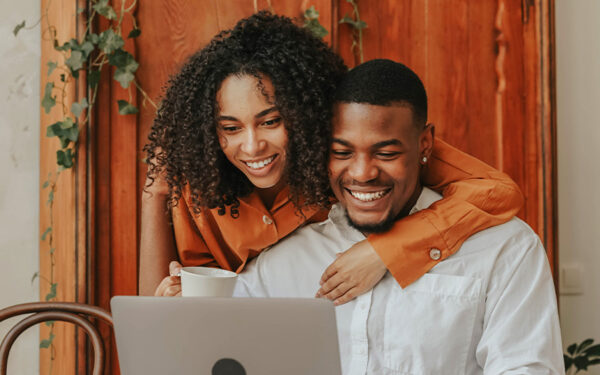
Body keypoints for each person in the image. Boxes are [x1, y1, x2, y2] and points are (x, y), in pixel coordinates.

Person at [139, 12, 523, 302]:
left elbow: (496, 190)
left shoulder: (349, 158)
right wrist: (154, 195)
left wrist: (386, 250)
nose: (252, 146)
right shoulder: (201, 181)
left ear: (303, 111)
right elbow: (159, 319)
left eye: (270, 121)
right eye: (231, 128)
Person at [234, 59, 563, 374]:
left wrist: (390, 251)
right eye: (341, 152)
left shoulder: (505, 249)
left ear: (425, 144)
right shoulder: (280, 259)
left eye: (386, 153)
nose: (362, 173)